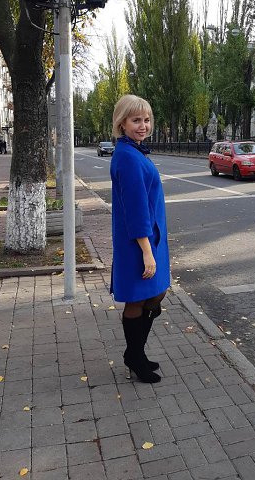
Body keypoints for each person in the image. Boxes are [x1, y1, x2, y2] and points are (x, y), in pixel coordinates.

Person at [110, 95, 170, 383]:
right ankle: (134, 356)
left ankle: (135, 353)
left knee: (155, 293)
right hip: (139, 242)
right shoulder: (128, 157)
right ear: (122, 123)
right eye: (136, 120)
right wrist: (146, 251)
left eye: (146, 120)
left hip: (148, 238)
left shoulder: (132, 151)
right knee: (139, 298)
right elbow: (135, 210)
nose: (143, 125)